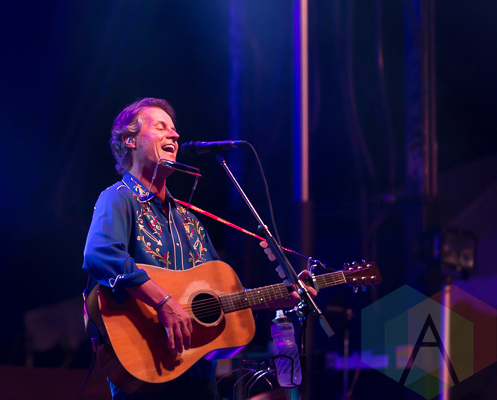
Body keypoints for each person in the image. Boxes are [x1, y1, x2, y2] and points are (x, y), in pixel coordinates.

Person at [82, 97, 316, 400]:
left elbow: (219, 295)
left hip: (198, 375)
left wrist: (274, 299)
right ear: (130, 140)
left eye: (174, 129)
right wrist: (164, 302)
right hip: (146, 368)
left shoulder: (189, 219)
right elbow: (100, 254)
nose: (175, 134)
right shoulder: (118, 198)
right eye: (161, 127)